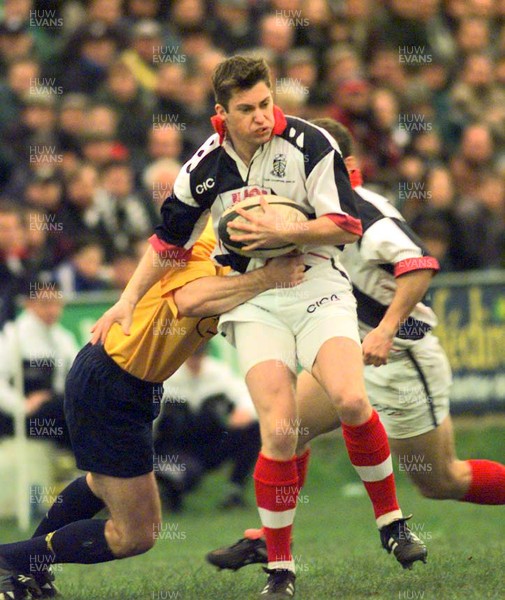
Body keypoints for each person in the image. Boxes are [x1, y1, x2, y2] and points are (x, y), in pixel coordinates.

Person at [111, 55, 426, 597]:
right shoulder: (204, 167)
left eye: (266, 103)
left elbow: (345, 224)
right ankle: (280, 570)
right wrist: (126, 300)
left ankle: (393, 523)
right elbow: (167, 243)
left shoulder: (310, 144)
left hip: (315, 282)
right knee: (279, 429)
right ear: (222, 112)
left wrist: (292, 226)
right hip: (253, 300)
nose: (261, 116)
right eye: (247, 109)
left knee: (351, 399)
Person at [205, 118, 505, 572]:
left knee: (440, 479)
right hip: (345, 345)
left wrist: (386, 328)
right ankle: (272, 540)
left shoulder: (361, 208)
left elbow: (419, 263)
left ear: (338, 163)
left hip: (399, 354)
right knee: (287, 431)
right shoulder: (305, 204)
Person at [0, 221, 304, 599]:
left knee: (99, 485)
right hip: (111, 381)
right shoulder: (207, 238)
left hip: (131, 385)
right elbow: (190, 300)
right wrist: (268, 278)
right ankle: (11, 560)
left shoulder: (237, 250)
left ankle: (29, 568)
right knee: (136, 534)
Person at [155, 343, 260, 510]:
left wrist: (244, 410)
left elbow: (244, 394)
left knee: (253, 429)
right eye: (190, 355)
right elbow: (151, 416)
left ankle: (234, 491)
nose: (194, 360)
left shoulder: (218, 373)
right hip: (175, 449)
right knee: (184, 474)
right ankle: (169, 494)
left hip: (210, 445)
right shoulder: (166, 376)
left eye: (199, 354)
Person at [0, 279, 77, 449]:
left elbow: (76, 380)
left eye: (57, 304)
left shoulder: (64, 338)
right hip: (20, 419)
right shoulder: (12, 336)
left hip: (55, 409)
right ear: (29, 304)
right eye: (46, 304)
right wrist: (21, 405)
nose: (53, 310)